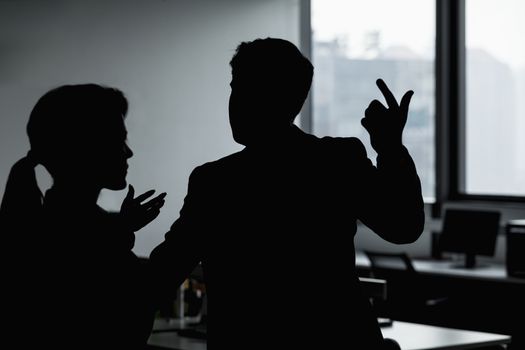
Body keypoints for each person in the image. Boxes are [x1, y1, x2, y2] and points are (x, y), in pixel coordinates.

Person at [149, 38, 424, 349]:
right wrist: (390, 148)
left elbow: (162, 274)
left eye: (240, 88)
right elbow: (404, 226)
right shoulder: (337, 160)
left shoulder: (215, 182)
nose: (234, 101)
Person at [0, 84, 166, 350]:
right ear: (83, 148)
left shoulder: (43, 227)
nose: (128, 152)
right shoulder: (75, 237)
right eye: (118, 140)